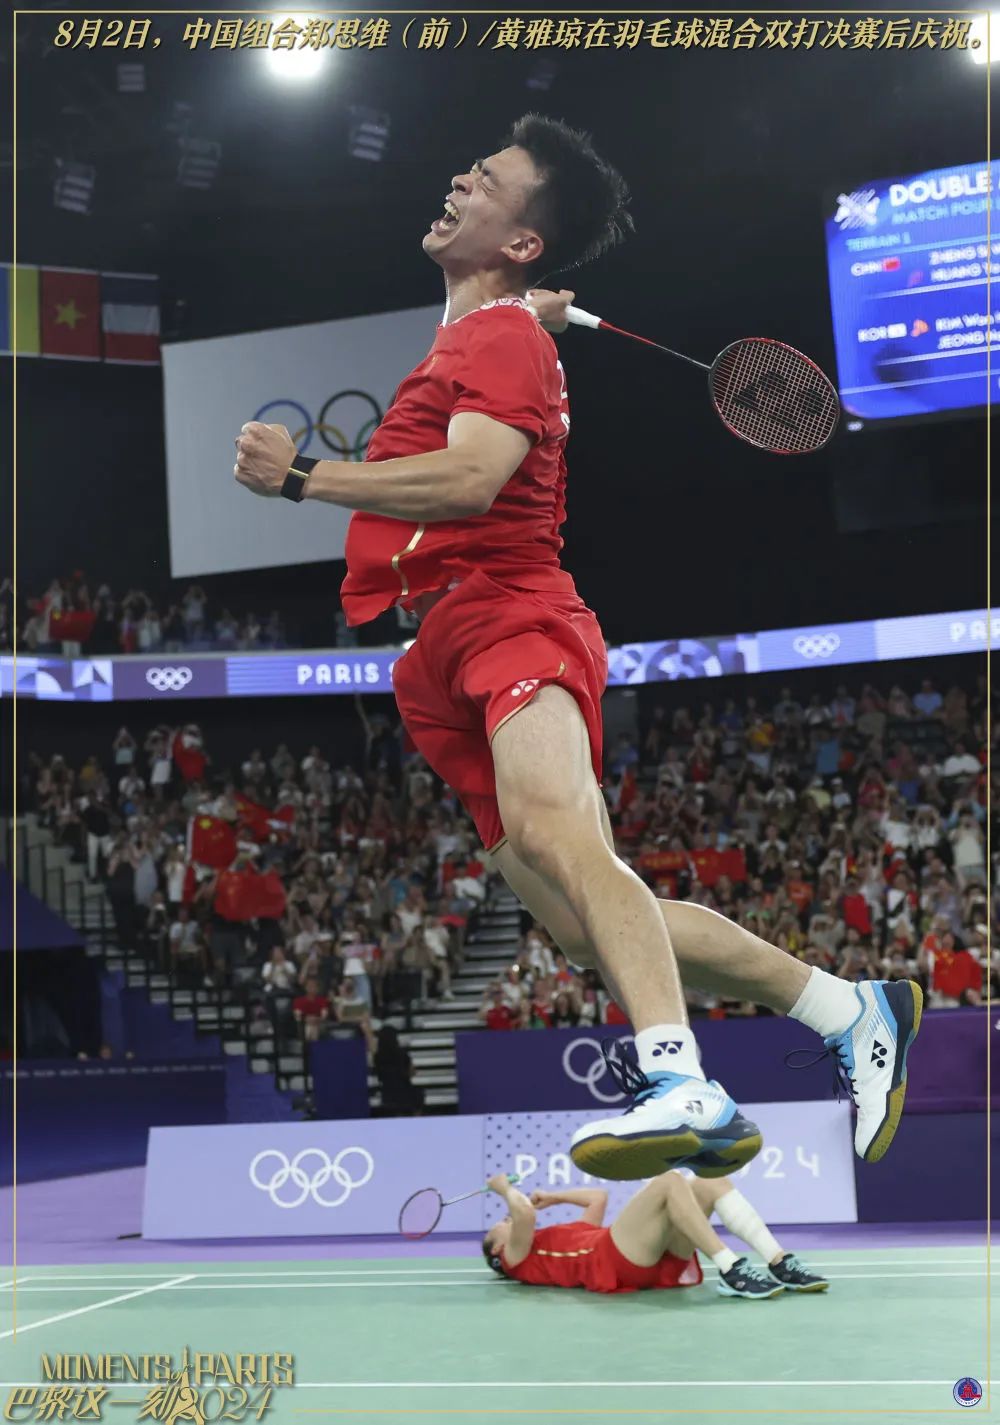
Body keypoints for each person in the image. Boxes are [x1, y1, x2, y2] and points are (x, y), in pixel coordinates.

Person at [233, 115, 920, 1182]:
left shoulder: (502, 338)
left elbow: (470, 481)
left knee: (566, 840)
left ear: (522, 241)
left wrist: (299, 476)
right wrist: (526, 308)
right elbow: (489, 349)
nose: (458, 177)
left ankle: (681, 1083)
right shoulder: (492, 330)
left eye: (486, 177)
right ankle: (848, 1009)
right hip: (437, 656)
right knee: (577, 927)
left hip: (508, 613)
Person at [481, 1172, 826, 1300]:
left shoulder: (558, 1237)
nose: (504, 1220)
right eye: (499, 1224)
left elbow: (597, 1198)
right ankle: (731, 1269)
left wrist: (556, 1198)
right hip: (612, 1262)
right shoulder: (516, 1258)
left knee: (709, 1180)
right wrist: (503, 1189)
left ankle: (779, 1261)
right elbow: (524, 1213)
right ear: (497, 1250)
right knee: (669, 1181)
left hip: (640, 1255)